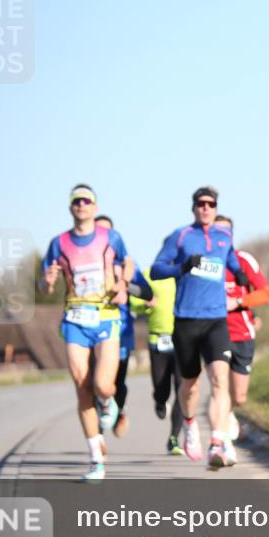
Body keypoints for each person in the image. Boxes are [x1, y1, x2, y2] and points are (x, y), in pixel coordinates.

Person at [151, 186, 249, 468]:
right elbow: (157, 269)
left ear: (216, 208)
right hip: (186, 320)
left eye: (211, 204)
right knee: (190, 386)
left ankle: (217, 441)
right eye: (200, 204)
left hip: (216, 319)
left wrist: (238, 271)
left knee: (220, 378)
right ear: (193, 207)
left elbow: (228, 257)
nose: (206, 208)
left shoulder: (224, 235)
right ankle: (190, 424)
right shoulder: (180, 236)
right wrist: (181, 266)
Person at [41, 184, 134, 482]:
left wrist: (122, 285)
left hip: (106, 318)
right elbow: (45, 285)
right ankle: (96, 458)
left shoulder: (111, 237)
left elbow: (128, 262)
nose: (81, 205)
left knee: (103, 385)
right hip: (75, 319)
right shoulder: (59, 243)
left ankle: (107, 401)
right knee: (81, 386)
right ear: (71, 208)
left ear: (94, 207)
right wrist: (47, 281)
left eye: (87, 201)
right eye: (76, 201)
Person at [214, 215, 269, 441]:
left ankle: (229, 412)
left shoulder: (243, 260)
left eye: (225, 232)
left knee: (239, 396)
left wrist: (238, 302)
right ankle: (219, 438)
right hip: (215, 333)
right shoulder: (204, 262)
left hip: (242, 333)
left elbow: (266, 294)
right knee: (219, 383)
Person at [95, 215, 153, 438]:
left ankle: (120, 411)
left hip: (119, 332)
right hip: (90, 330)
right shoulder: (86, 264)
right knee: (94, 382)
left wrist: (124, 286)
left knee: (116, 382)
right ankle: (97, 437)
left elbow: (146, 292)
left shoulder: (127, 265)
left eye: (106, 233)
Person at [129, 268, 184, 455]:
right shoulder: (149, 274)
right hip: (157, 340)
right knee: (162, 388)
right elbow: (133, 302)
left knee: (182, 389)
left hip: (183, 339)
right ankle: (160, 401)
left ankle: (174, 438)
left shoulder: (183, 275)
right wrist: (145, 304)